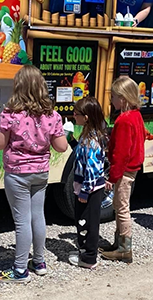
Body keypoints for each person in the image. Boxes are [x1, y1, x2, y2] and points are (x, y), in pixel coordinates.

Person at [0, 65, 68, 283]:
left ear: (19, 86)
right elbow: (61, 147)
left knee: (22, 221)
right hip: (41, 173)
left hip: (17, 174)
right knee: (38, 216)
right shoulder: (52, 115)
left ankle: (20, 270)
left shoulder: (10, 114)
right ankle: (39, 262)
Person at [100, 77, 146, 263]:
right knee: (120, 206)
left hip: (125, 171)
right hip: (132, 169)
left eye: (114, 96)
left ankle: (124, 249)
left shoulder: (123, 120)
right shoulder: (136, 115)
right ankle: (118, 243)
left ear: (124, 99)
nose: (111, 100)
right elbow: (142, 135)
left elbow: (120, 154)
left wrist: (112, 177)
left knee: (121, 208)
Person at [68, 97, 107, 270]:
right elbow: (81, 156)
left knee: (87, 223)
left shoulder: (91, 141)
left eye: (77, 113)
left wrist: (85, 191)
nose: (73, 115)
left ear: (87, 117)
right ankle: (85, 251)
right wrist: (71, 141)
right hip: (86, 188)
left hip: (89, 190)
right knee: (82, 221)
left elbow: (91, 169)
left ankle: (89, 258)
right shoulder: (87, 135)